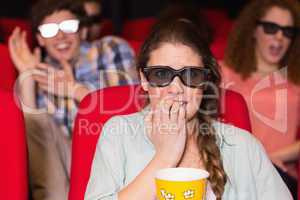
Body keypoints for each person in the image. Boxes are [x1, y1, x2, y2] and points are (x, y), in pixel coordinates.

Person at [84, 17, 292, 200]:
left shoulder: (243, 145)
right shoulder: (118, 133)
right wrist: (166, 156)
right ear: (144, 80)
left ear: (206, 82)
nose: (176, 88)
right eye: (161, 75)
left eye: (192, 75)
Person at [8, 0, 137, 199]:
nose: (60, 35)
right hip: (64, 173)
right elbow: (34, 141)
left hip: (114, 155)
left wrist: (76, 90)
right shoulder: (42, 71)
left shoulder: (110, 49)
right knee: (38, 125)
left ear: (83, 31)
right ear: (40, 39)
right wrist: (27, 76)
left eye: (68, 26)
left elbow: (130, 114)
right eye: (49, 30)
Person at [221, 0, 300, 198]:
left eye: (288, 31)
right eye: (271, 28)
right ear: (253, 30)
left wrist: (270, 158)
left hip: (279, 171)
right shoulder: (223, 73)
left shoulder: (297, 81)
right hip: (232, 169)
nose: (280, 36)